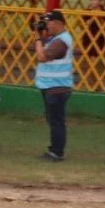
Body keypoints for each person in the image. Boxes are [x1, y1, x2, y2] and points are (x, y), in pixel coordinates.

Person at [33, 10, 75, 162]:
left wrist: (37, 38)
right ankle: (54, 149)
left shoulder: (61, 41)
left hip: (57, 87)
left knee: (56, 121)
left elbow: (42, 57)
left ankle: (57, 152)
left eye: (49, 22)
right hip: (52, 86)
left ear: (59, 23)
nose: (47, 25)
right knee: (53, 120)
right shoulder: (55, 38)